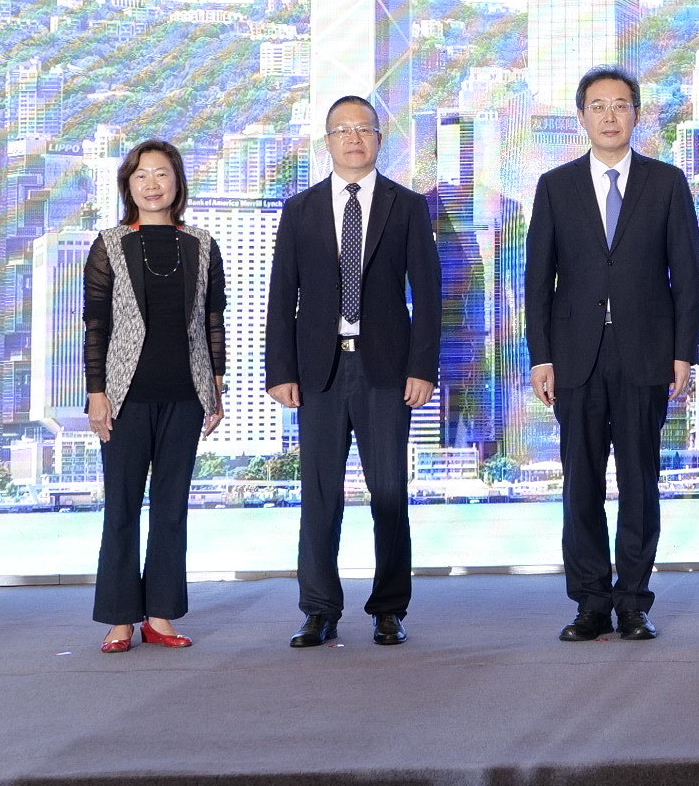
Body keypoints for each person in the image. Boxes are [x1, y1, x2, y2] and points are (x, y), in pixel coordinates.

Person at [526, 64, 699, 643]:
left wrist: (683, 353)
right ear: (581, 116)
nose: (609, 116)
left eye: (620, 105)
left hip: (646, 354)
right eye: (598, 106)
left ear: (636, 115)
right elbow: (537, 281)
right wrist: (541, 356)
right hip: (575, 356)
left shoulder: (666, 182)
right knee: (580, 483)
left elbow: (687, 276)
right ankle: (589, 603)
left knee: (640, 482)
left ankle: (633, 602)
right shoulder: (555, 186)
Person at [266, 93, 444, 649]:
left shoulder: (406, 206)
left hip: (386, 369)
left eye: (363, 129)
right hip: (318, 372)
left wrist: (423, 367)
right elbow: (282, 297)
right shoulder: (299, 210)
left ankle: (389, 608)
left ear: (378, 140)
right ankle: (319, 609)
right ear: (327, 142)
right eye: (342, 130)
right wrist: (280, 370)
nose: (353, 138)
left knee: (389, 493)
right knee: (320, 496)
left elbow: (429, 295)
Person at [82, 140, 226, 653]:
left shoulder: (202, 244)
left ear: (177, 182)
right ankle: (120, 619)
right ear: (128, 185)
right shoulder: (109, 244)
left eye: (162, 174)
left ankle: (160, 616)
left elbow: (213, 320)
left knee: (171, 509)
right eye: (141, 175)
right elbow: (96, 324)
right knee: (121, 508)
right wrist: (96, 393)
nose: (151, 184)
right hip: (124, 396)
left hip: (185, 394)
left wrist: (215, 385)